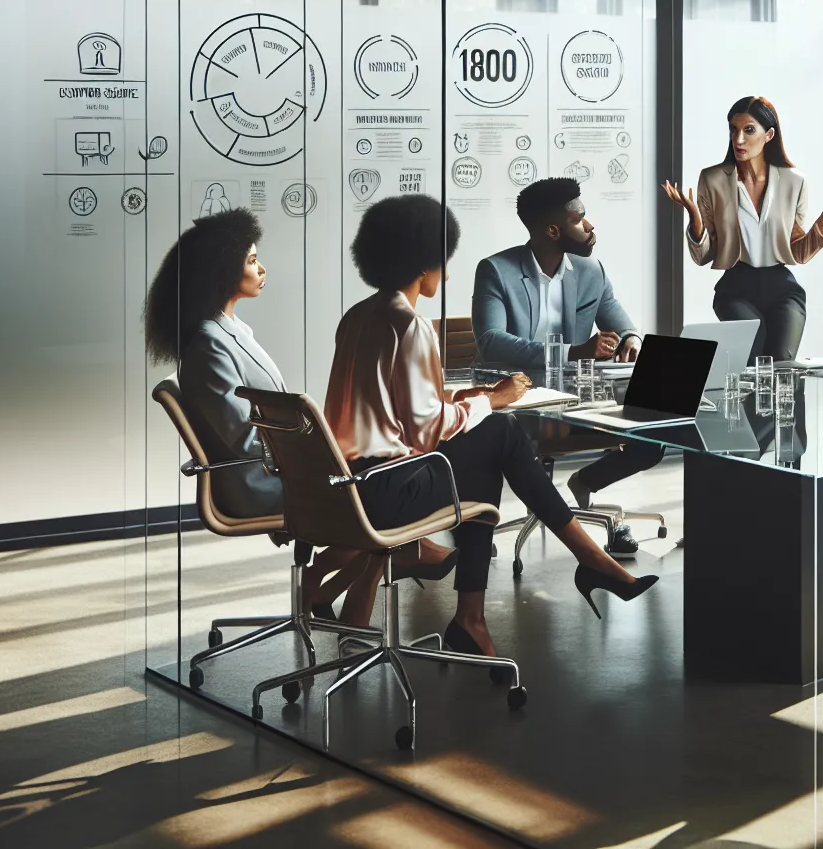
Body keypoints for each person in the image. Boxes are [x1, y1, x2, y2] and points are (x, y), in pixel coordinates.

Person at [323, 195, 657, 656]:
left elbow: (389, 411)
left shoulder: (358, 317)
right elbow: (425, 432)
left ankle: (476, 616)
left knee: (489, 442)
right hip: (386, 491)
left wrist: (469, 401)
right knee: (498, 437)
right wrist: (491, 400)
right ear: (425, 263)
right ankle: (568, 569)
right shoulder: (412, 326)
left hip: (350, 482)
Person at [144, 209, 370, 615]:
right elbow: (244, 436)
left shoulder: (229, 330)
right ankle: (331, 586)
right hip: (256, 480)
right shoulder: (209, 343)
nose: (261, 268)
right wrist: (318, 454)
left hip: (275, 468)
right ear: (221, 272)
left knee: (375, 477)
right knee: (380, 493)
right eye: (250, 260)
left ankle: (325, 588)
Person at [472, 177, 664, 558]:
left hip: (576, 397)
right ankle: (480, 530)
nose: (590, 226)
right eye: (580, 219)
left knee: (654, 435)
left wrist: (631, 341)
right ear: (553, 230)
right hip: (517, 399)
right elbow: (490, 340)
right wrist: (572, 352)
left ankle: (586, 481)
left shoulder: (591, 271)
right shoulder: (497, 270)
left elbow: (623, 324)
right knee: (504, 436)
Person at [662, 95, 823, 362]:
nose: (739, 139)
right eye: (734, 130)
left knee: (782, 363)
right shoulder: (712, 179)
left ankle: (787, 404)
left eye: (749, 130)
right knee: (754, 355)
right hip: (735, 287)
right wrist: (694, 216)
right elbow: (703, 256)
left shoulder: (794, 181)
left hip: (782, 287)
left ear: (769, 135)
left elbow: (798, 253)